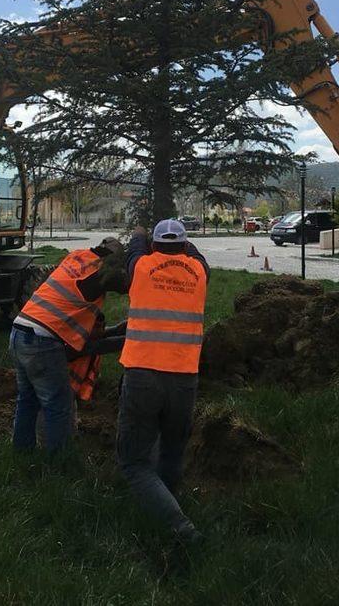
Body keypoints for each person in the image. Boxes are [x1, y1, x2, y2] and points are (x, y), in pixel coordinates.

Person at [117, 219, 209, 543]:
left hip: (143, 375)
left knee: (134, 462)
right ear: (185, 247)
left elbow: (134, 249)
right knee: (171, 451)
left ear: (154, 247)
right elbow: (194, 254)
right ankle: (163, 502)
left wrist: (141, 232)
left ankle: (177, 526)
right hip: (184, 379)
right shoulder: (200, 273)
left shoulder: (141, 269)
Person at [9, 237, 126, 453]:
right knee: (58, 405)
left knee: (27, 399)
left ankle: (22, 451)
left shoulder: (77, 257)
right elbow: (127, 285)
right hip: (42, 340)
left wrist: (122, 329)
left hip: (20, 329)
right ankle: (58, 462)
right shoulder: (99, 274)